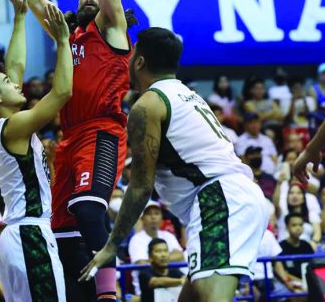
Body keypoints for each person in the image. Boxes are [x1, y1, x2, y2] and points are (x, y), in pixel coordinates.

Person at [81, 27, 267, 302]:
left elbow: (141, 186)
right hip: (235, 195)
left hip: (219, 199)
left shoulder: (148, 106)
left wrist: (111, 246)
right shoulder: (186, 94)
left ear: (139, 61)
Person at [24, 0, 135, 301]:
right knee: (64, 231)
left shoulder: (111, 30)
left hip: (102, 131)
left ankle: (111, 293)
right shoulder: (66, 35)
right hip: (68, 139)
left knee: (89, 206)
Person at [0, 0, 71, 302]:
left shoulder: (3, 124)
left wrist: (20, 18)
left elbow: (14, 65)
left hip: (19, 235)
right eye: (8, 84)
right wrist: (63, 42)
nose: (16, 82)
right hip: (28, 234)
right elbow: (63, 92)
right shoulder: (13, 126)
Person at [279, 212, 315, 286]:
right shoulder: (280, 247)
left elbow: (313, 266)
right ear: (287, 227)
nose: (298, 228)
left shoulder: (307, 245)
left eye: (301, 225)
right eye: (294, 225)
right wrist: (301, 282)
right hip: (290, 284)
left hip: (309, 282)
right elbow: (283, 272)